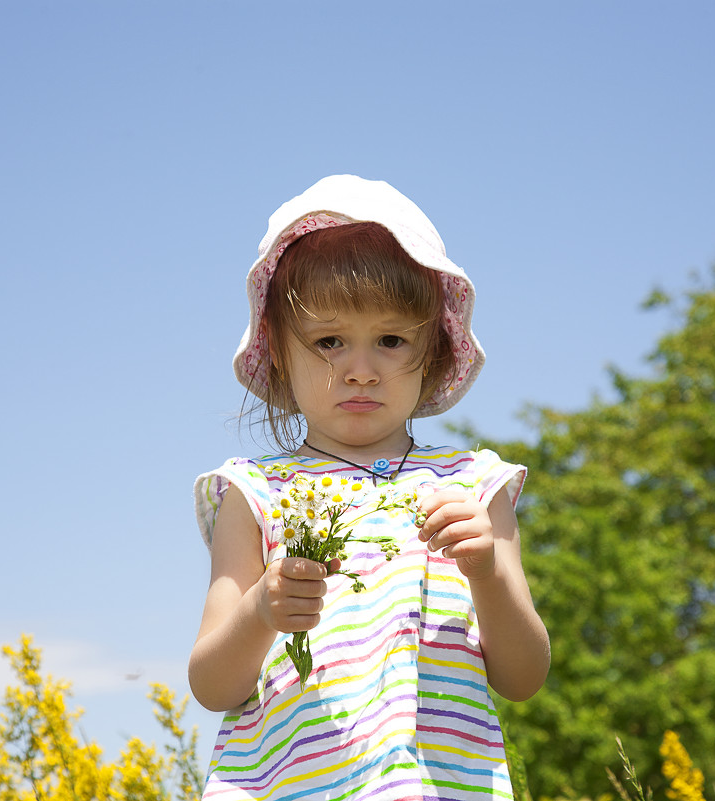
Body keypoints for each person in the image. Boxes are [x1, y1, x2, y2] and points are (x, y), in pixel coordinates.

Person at [189, 175, 550, 800]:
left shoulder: (472, 486)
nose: (361, 369)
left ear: (433, 350)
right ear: (279, 354)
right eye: (329, 342)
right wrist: (261, 611)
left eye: (391, 340)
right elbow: (213, 685)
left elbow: (522, 676)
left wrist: (487, 572)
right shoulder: (255, 493)